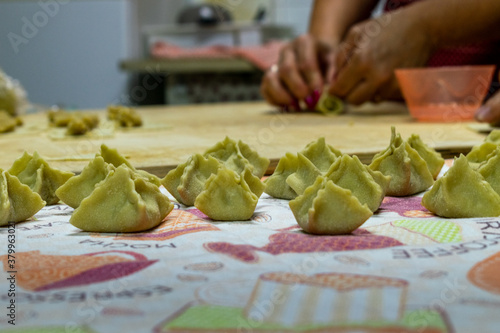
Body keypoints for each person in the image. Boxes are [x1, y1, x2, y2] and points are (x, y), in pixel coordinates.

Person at [260, 0, 500, 123]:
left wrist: (425, 26)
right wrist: (323, 46)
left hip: (486, 105)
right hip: (395, 113)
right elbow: (326, 42)